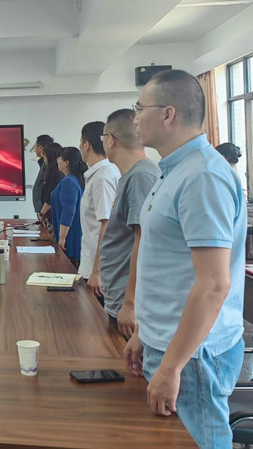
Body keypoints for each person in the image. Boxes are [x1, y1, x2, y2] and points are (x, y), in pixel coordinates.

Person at [124, 69, 245, 447]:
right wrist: (145, 331)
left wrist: (172, 365)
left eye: (139, 108)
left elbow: (213, 284)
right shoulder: (174, 170)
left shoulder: (203, 176)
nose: (134, 119)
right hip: (170, 344)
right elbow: (166, 263)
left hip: (193, 355)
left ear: (168, 114)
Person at [94, 109, 160, 338]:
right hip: (118, 295)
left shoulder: (141, 176)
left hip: (129, 301)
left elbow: (143, 242)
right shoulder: (132, 175)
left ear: (110, 140)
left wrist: (130, 304)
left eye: (103, 137)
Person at [77, 122, 120, 285]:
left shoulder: (102, 177)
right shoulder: (99, 174)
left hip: (98, 271)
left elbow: (106, 224)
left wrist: (97, 271)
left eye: (80, 142)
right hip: (92, 263)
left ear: (86, 145)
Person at [51, 147, 86, 267]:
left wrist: (62, 238)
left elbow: (68, 212)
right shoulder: (73, 179)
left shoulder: (69, 182)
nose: (57, 160)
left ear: (66, 162)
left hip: (70, 236)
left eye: (59, 158)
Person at [38, 142, 63, 232]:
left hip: (54, 216)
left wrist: (41, 213)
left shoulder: (56, 174)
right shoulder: (52, 172)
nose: (44, 159)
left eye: (44, 157)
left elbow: (50, 198)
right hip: (51, 215)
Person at [30, 134, 54, 214]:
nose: (34, 150)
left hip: (46, 211)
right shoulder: (43, 164)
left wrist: (42, 212)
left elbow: (48, 190)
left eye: (35, 147)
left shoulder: (50, 166)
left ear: (40, 148)